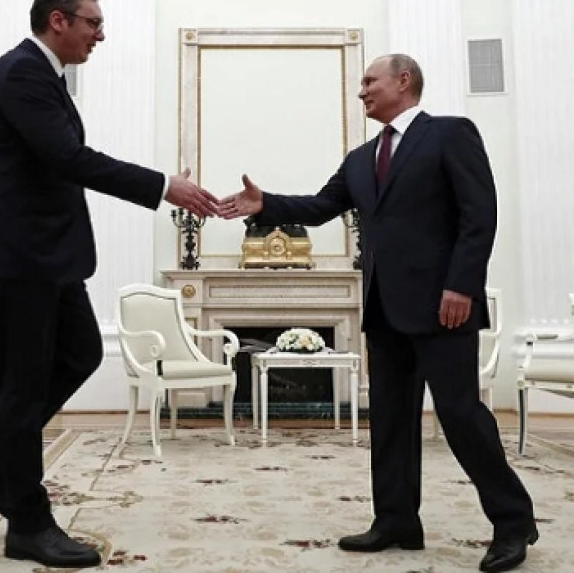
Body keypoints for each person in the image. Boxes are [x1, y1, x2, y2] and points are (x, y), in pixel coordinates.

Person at [217, 54, 537, 573]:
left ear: (403, 81)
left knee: (461, 416)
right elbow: (320, 206)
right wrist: (265, 204)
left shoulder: (450, 133)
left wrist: (461, 285)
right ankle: (396, 521)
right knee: (389, 420)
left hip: (444, 306)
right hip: (385, 309)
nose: (361, 90)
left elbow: (479, 216)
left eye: (370, 81)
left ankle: (513, 522)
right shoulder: (361, 158)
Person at [0, 0, 218, 568]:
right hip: (19, 254)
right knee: (22, 388)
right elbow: (68, 159)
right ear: (59, 20)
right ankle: (28, 523)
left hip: (46, 253)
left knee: (80, 353)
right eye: (93, 23)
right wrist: (163, 186)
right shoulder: (21, 73)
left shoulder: (43, 75)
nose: (101, 34)